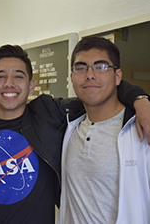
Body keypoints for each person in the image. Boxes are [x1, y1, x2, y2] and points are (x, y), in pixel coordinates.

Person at [0, 44, 150, 224]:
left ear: (31, 86)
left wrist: (139, 99)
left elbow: (95, 92)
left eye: (18, 76)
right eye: (0, 76)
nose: (9, 83)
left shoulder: (49, 114)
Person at [58, 36, 150, 224]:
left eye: (100, 67)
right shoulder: (68, 125)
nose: (90, 75)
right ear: (72, 78)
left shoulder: (141, 128)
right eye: (81, 67)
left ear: (118, 76)